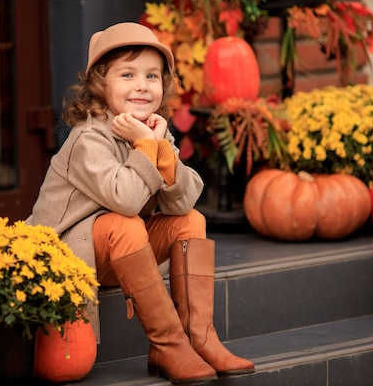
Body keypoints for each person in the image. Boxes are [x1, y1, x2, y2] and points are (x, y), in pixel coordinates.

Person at [26, 22, 254, 384]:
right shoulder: (88, 139)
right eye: (127, 74)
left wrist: (161, 147)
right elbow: (127, 200)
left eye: (152, 75)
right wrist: (147, 145)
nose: (142, 85)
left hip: (119, 252)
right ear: (101, 85)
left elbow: (183, 201)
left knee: (191, 220)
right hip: (69, 255)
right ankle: (168, 344)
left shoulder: (151, 129)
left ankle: (200, 337)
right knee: (124, 222)